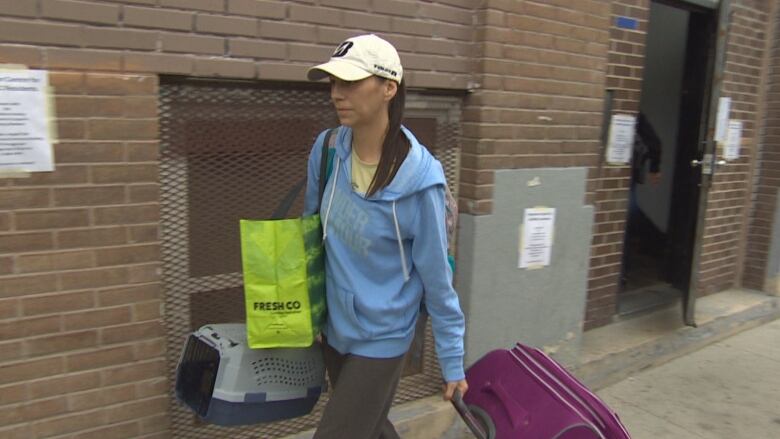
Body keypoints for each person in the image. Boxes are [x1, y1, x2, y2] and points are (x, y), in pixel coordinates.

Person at [302, 34, 468, 439]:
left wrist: (452, 359)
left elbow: (436, 279)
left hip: (383, 338)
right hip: (335, 329)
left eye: (351, 83)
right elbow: (309, 236)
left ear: (388, 88)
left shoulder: (420, 184)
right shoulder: (326, 151)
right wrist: (312, 311)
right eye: (333, 84)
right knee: (371, 427)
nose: (337, 94)